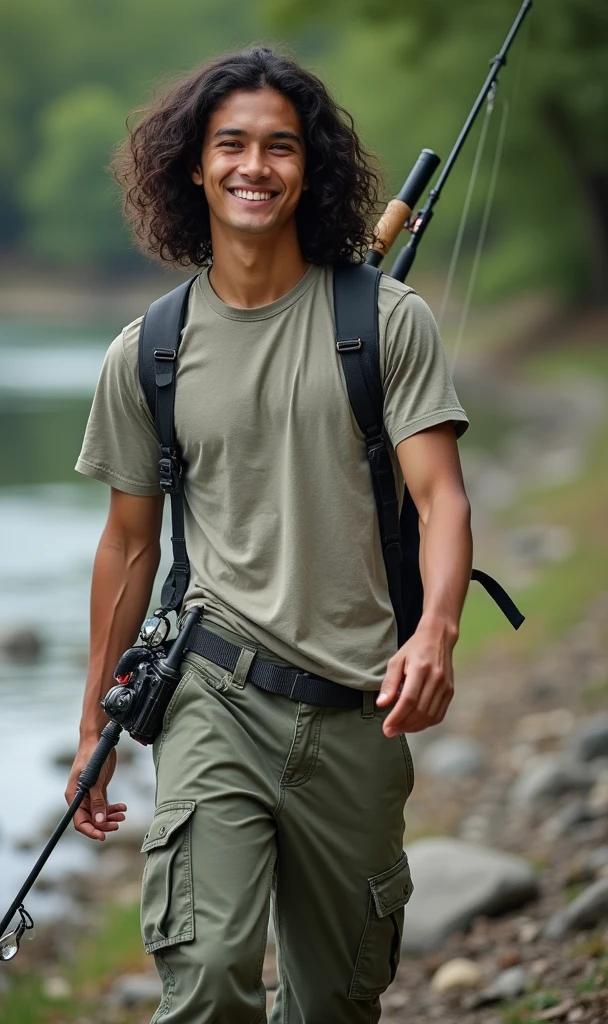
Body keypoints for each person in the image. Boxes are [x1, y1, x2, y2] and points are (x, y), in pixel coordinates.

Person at [65, 46, 472, 1024]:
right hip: (215, 696)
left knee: (335, 1001)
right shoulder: (148, 353)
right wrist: (94, 726)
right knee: (204, 977)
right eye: (231, 145)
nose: (256, 165)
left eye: (280, 146)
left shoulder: (386, 322)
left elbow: (441, 499)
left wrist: (436, 631)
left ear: (310, 166)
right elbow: (128, 547)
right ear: (193, 168)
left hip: (359, 710)